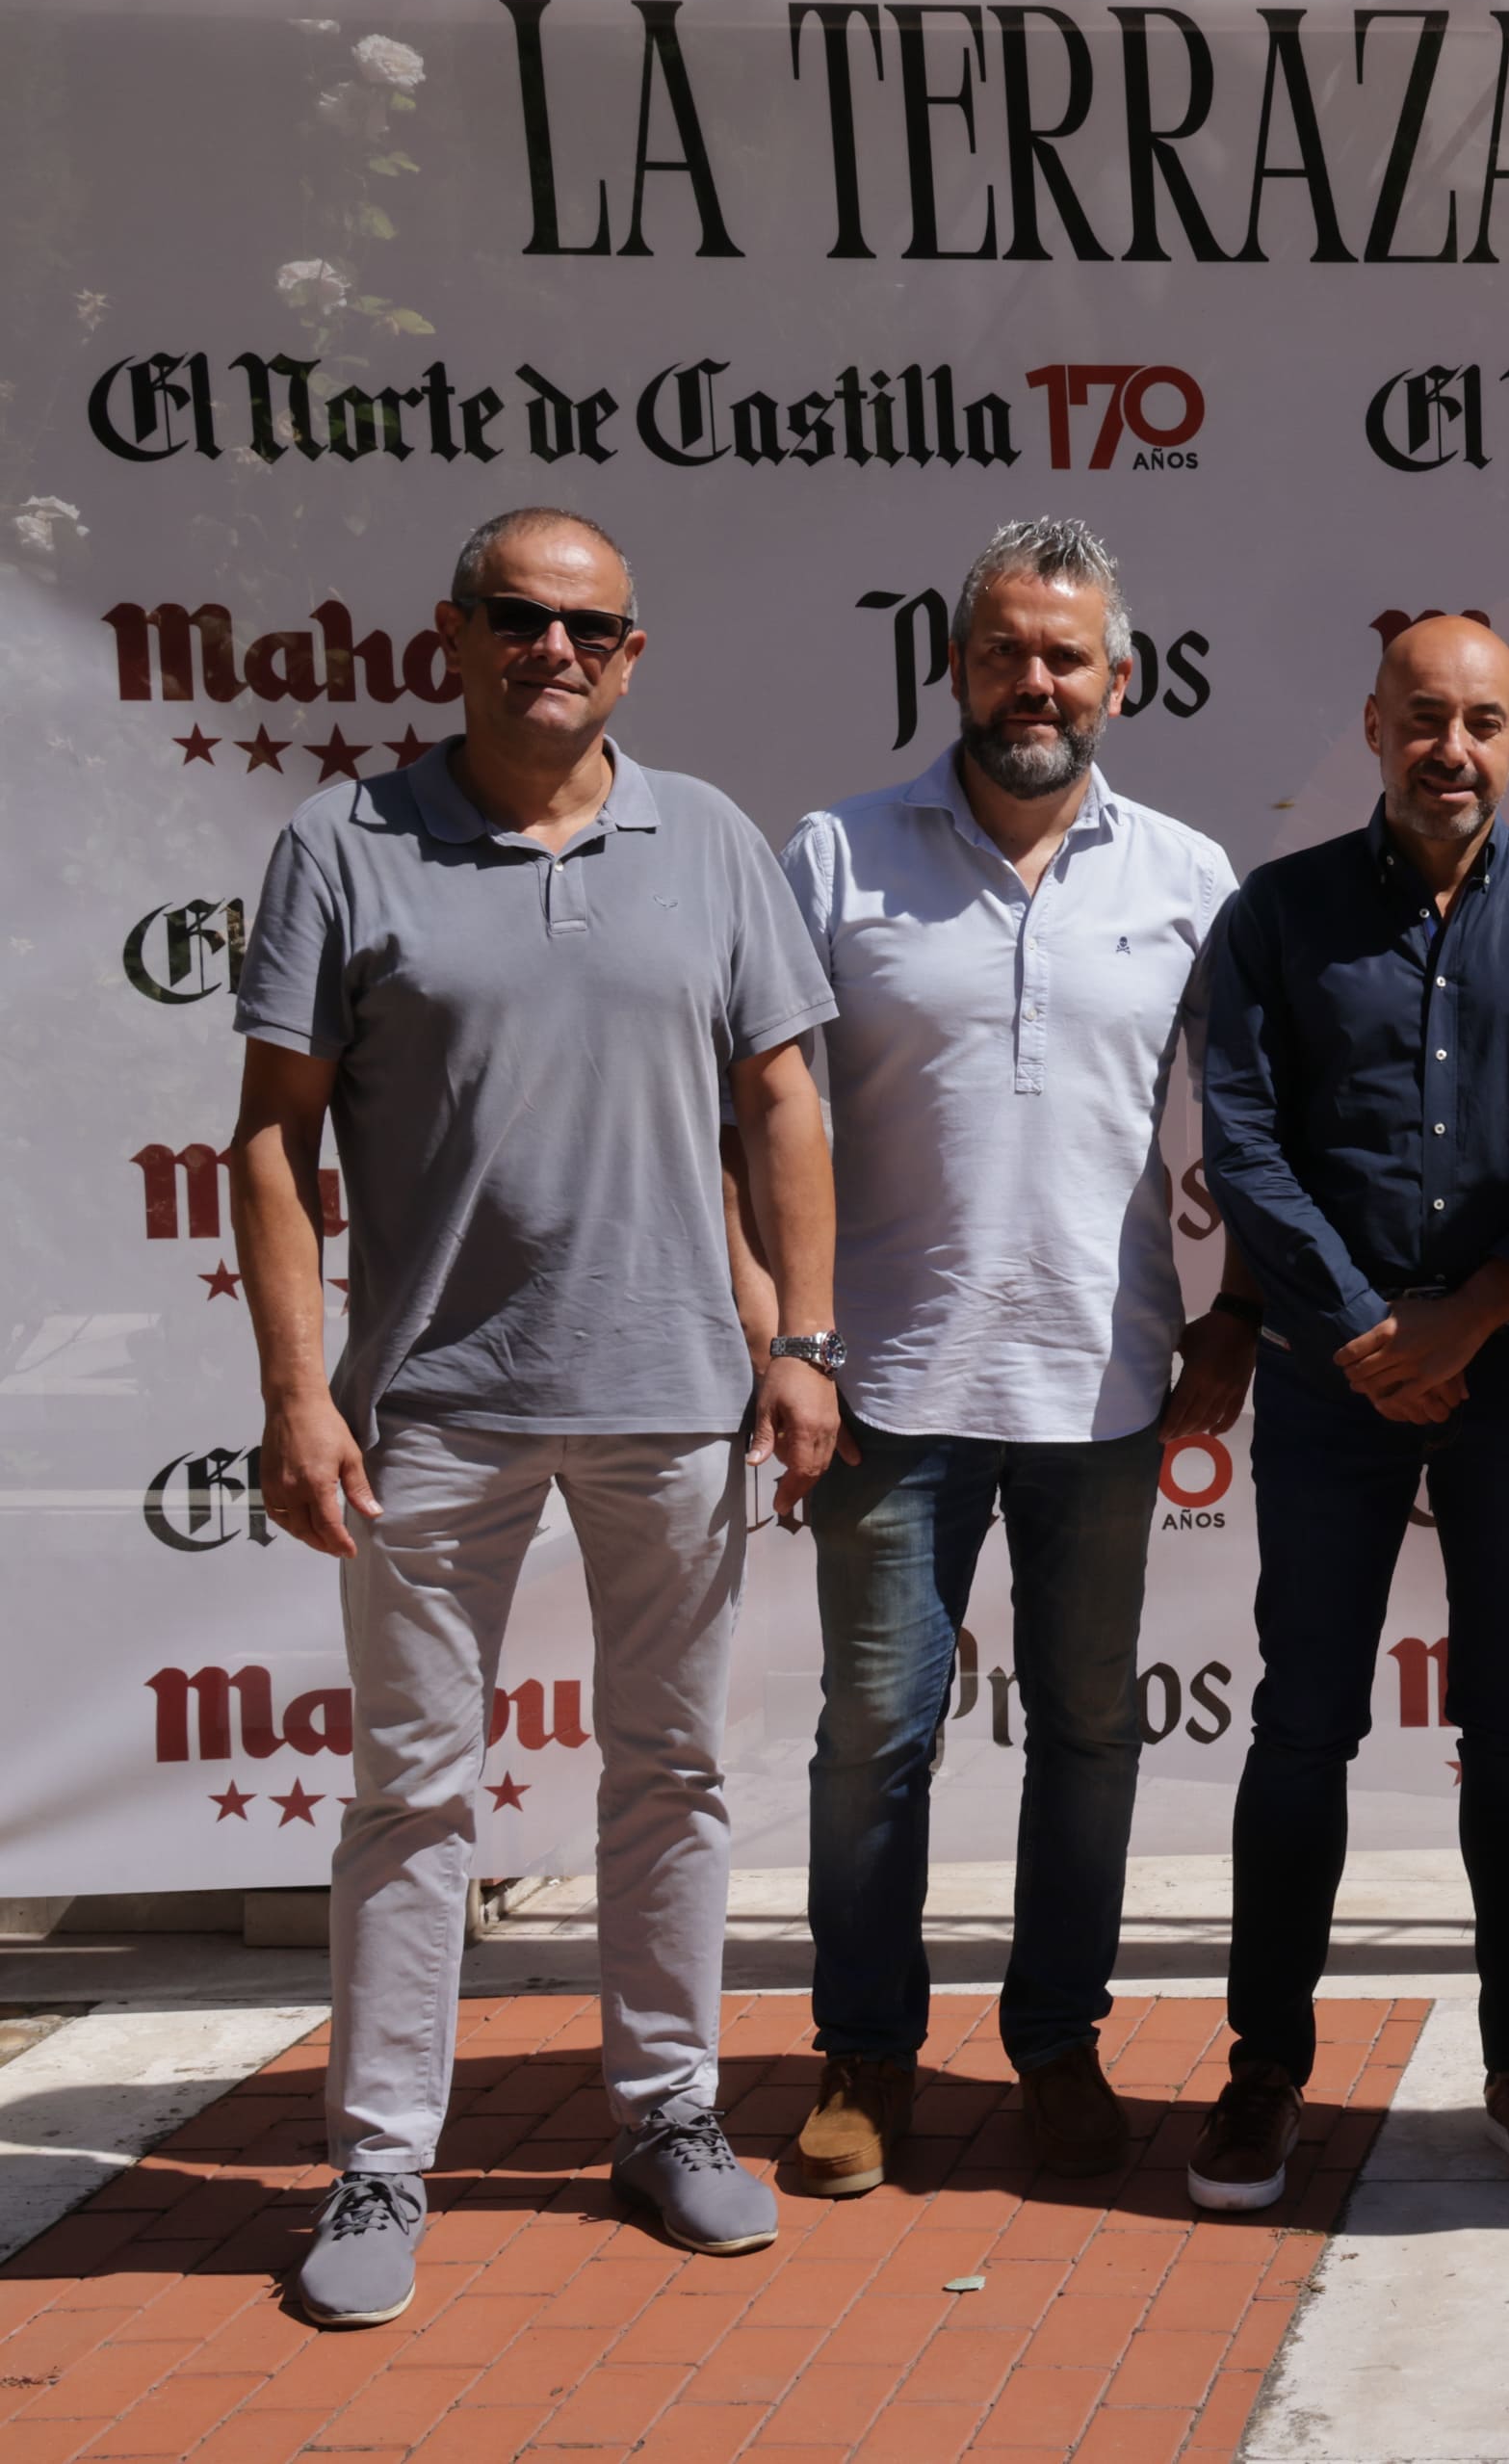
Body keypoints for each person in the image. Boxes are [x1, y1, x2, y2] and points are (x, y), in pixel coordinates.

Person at [229, 509, 839, 2325]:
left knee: (672, 1777)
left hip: (676, 1396)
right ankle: (379, 2165)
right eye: (518, 616)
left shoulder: (712, 838)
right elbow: (271, 1134)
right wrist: (292, 1390)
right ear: (459, 634)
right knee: (413, 1797)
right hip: (430, 1407)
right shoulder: (343, 843)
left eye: (588, 626)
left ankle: (668, 2118)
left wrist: (803, 1341)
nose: (551, 649)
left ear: (632, 654)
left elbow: (783, 1101)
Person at [757, 518, 1256, 2197]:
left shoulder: (1189, 880)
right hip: (886, 1387)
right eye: (1001, 652)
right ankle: (864, 2057)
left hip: (1106, 1389)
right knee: (872, 1739)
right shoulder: (835, 858)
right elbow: (757, 1116)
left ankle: (1056, 2047)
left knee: (1092, 1733)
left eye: (1064, 656)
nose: (1031, 682)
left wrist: (1239, 1314)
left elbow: (1265, 1128)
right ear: (953, 667)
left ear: (1121, 679)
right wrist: (790, 1339)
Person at [1190, 616, 1509, 2212]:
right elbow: (1244, 1145)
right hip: (1336, 1378)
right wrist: (1361, 1330)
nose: (1448, 749)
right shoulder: (1279, 915)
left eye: (1482, 721)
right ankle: (1264, 2071)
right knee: (1305, 1720)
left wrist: (1469, 1316)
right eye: (1420, 719)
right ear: (1373, 725)